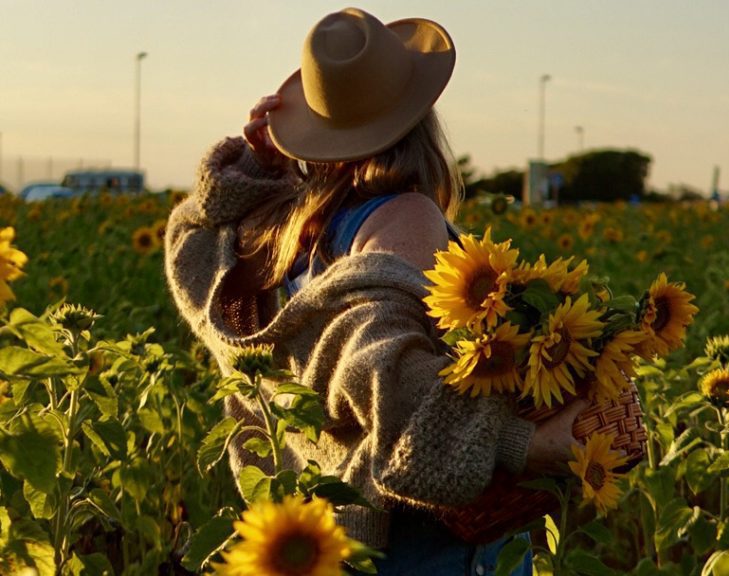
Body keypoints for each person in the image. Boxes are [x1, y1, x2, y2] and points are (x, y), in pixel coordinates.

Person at [163, 7, 587, 575]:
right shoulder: (403, 217)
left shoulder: (267, 230)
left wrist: (254, 169)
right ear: (422, 115)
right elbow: (380, 369)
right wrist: (522, 445)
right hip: (416, 540)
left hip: (323, 530)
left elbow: (189, 233)